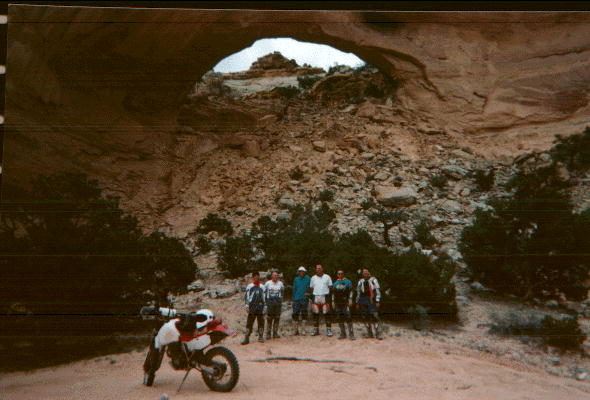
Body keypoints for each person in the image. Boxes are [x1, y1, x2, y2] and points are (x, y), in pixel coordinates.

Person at [356, 268, 384, 340]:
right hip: (363, 299)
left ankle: (378, 333)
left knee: (375, 315)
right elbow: (358, 292)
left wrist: (377, 300)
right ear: (362, 274)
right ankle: (369, 333)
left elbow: (377, 290)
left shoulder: (373, 280)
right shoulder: (360, 281)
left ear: (369, 272)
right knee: (365, 316)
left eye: (366, 272)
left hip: (372, 299)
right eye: (364, 272)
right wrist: (357, 302)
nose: (365, 273)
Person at [241, 271, 266, 345]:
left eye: (257, 277)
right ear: (253, 278)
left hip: (260, 307)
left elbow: (265, 297)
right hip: (252, 307)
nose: (256, 278)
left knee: (261, 322)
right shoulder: (250, 286)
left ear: (259, 277)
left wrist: (265, 306)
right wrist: (247, 305)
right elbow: (247, 296)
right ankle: (246, 337)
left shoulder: (262, 287)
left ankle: (260, 337)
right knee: (249, 323)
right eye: (255, 277)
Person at [309, 264, 333, 336]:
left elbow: (330, 287)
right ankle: (316, 330)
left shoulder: (327, 277)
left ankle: (329, 330)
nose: (318, 269)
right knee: (315, 314)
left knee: (327, 313)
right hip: (316, 297)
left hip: (325, 296)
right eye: (317, 268)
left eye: (319, 268)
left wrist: (329, 297)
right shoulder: (313, 278)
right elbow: (311, 288)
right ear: (316, 269)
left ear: (322, 269)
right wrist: (313, 297)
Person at [332, 269, 355, 340]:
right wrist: (333, 301)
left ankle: (351, 334)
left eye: (341, 273)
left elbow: (351, 291)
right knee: (339, 317)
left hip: (345, 302)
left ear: (343, 274)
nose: (340, 275)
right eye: (339, 274)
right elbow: (333, 293)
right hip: (338, 302)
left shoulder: (348, 282)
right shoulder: (335, 283)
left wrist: (350, 299)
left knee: (348, 317)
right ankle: (343, 333)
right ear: (337, 275)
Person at [264, 270, 285, 340]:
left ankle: (275, 333)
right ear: (271, 276)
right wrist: (266, 301)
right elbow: (264, 292)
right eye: (274, 275)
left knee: (277, 317)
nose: (276, 277)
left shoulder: (280, 283)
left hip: (278, 303)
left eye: (277, 275)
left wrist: (281, 300)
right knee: (269, 318)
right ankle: (268, 334)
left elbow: (282, 291)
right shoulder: (267, 283)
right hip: (270, 302)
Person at [291, 266, 311, 336]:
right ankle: (295, 330)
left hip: (304, 298)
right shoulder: (296, 279)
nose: (301, 273)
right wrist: (293, 298)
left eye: (303, 271)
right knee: (295, 313)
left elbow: (311, 287)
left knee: (304, 313)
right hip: (296, 299)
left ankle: (303, 329)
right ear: (298, 272)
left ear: (305, 272)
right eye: (300, 271)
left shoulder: (308, 278)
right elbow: (294, 288)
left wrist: (309, 293)